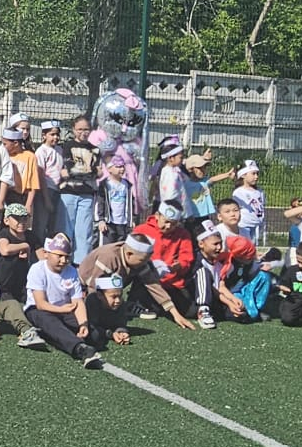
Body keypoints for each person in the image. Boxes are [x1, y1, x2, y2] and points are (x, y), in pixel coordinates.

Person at [78, 232, 185, 332]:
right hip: (86, 285)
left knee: (147, 275)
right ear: (129, 254)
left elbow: (153, 285)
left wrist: (175, 313)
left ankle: (129, 305)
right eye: (142, 260)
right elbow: (94, 286)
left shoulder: (139, 261)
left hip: (113, 288)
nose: (145, 263)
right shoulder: (109, 257)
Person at [24, 234, 102, 368]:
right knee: (51, 323)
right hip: (39, 311)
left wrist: (83, 324)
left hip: (64, 310)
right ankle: (80, 349)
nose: (63, 260)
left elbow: (78, 301)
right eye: (59, 256)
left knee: (94, 335)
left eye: (66, 256)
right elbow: (40, 303)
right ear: (46, 254)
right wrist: (61, 310)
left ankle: (52, 336)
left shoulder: (71, 271)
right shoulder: (37, 269)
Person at [130, 203, 196, 324]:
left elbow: (186, 258)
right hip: (147, 281)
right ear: (157, 216)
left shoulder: (183, 235)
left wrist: (179, 266)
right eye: (166, 221)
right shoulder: (142, 230)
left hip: (172, 282)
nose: (168, 226)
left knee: (190, 312)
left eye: (173, 223)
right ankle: (135, 303)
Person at [59, 116, 100, 262]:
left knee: (84, 231)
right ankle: (63, 257)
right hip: (68, 192)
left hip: (87, 194)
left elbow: (97, 171)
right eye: (80, 129)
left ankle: (81, 262)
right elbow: (68, 168)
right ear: (73, 130)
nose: (83, 132)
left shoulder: (95, 149)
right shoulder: (67, 146)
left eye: (86, 129)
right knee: (66, 228)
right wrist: (89, 171)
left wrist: (77, 172)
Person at [188, 220, 242, 328]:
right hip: (194, 302)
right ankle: (203, 311)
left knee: (241, 315)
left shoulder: (219, 261)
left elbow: (221, 286)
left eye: (220, 243)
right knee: (204, 272)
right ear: (201, 244)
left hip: (216, 300)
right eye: (215, 244)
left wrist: (233, 300)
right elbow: (211, 289)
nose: (219, 247)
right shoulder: (196, 261)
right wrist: (228, 303)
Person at [96, 155, 135, 245]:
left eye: (123, 166)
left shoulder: (127, 185)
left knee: (121, 247)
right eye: (118, 167)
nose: (122, 169)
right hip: (109, 224)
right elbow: (100, 203)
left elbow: (130, 203)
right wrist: (101, 220)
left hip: (123, 223)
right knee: (107, 248)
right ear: (109, 169)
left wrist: (131, 220)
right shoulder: (105, 185)